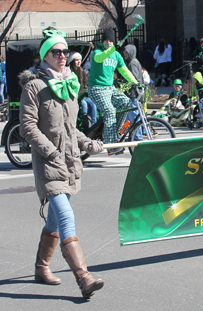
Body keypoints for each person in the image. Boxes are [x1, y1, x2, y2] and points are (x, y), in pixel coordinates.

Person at [19, 29, 104, 299]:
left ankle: (41, 267)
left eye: (65, 52)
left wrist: (88, 142)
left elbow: (70, 129)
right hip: (48, 164)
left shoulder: (68, 85)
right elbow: (27, 127)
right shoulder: (34, 87)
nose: (63, 56)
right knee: (66, 216)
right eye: (56, 52)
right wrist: (50, 151)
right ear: (45, 55)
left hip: (69, 164)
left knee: (55, 219)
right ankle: (84, 278)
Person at [87, 28, 138, 155]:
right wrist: (111, 49)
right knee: (109, 111)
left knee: (126, 103)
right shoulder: (97, 52)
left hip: (110, 88)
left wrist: (135, 82)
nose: (109, 43)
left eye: (111, 41)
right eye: (106, 41)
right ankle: (111, 145)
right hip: (97, 88)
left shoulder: (116, 55)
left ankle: (113, 131)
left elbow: (124, 70)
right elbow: (99, 59)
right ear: (102, 41)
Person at [67, 51, 97, 129]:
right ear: (72, 61)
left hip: (84, 95)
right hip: (75, 96)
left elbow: (85, 85)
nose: (79, 61)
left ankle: (94, 126)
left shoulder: (82, 71)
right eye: (76, 60)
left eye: (80, 59)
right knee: (84, 104)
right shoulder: (69, 72)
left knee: (93, 104)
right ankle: (85, 125)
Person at [123, 44, 144, 140]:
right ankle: (123, 134)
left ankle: (137, 136)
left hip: (133, 94)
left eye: (126, 52)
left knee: (134, 116)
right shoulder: (133, 62)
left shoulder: (132, 64)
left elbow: (135, 79)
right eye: (124, 51)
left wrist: (123, 82)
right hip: (132, 94)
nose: (124, 53)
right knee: (128, 117)